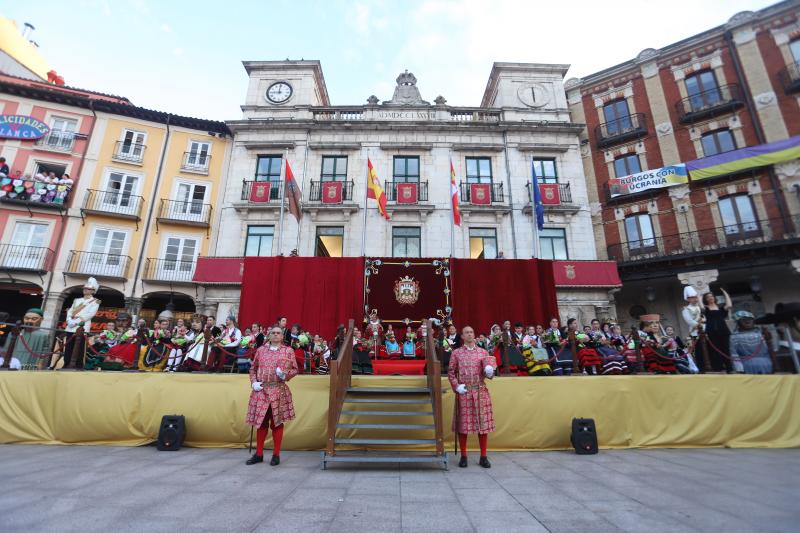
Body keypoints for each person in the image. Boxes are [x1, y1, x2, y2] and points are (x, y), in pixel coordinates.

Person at [245, 326, 299, 466]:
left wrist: (285, 375)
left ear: (282, 336)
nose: (275, 335)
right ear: (269, 335)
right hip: (261, 389)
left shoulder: (288, 351)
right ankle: (259, 454)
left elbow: (295, 369)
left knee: (277, 423)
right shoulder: (261, 350)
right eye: (273, 333)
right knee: (261, 423)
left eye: (278, 333)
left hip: (278, 389)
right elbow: (253, 368)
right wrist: (253, 383)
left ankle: (276, 454)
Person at [449, 326, 497, 468]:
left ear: (474, 335)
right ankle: (463, 456)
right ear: (462, 336)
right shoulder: (456, 353)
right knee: (463, 424)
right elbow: (451, 372)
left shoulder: (483, 352)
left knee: (483, 425)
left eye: (471, 332)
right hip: (464, 391)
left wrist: (489, 373)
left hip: (480, 391)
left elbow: (490, 373)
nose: (469, 334)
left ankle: (483, 456)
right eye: (466, 333)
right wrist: (456, 386)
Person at [57, 277, 101, 369]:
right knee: (68, 347)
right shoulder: (77, 300)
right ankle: (66, 363)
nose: (85, 290)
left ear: (93, 291)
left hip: (82, 326)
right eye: (85, 288)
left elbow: (90, 314)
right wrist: (69, 320)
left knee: (80, 348)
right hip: (70, 326)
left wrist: (77, 321)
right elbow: (70, 311)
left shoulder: (95, 302)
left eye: (88, 289)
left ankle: (78, 365)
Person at [730, 310, 772, 374]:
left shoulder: (761, 334)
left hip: (766, 365)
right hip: (747, 367)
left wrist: (775, 366)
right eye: (743, 320)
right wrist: (739, 370)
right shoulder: (734, 337)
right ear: (738, 322)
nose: (747, 322)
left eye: (750, 319)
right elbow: (734, 355)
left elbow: (770, 350)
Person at [702, 289, 733, 372]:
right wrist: (698, 295)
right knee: (715, 351)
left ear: (714, 297)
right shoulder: (706, 309)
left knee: (726, 349)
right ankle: (718, 368)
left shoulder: (720, 308)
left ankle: (729, 368)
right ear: (706, 299)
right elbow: (701, 306)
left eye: (711, 296)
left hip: (723, 331)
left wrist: (725, 293)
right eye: (708, 297)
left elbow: (729, 305)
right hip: (712, 332)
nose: (710, 298)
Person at [681, 286, 706, 371]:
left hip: (705, 331)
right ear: (688, 299)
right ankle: (702, 369)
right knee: (700, 352)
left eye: (695, 297)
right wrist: (700, 323)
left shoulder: (700, 307)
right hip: (695, 333)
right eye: (692, 298)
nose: (695, 299)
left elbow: (705, 319)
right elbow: (690, 322)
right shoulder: (685, 309)